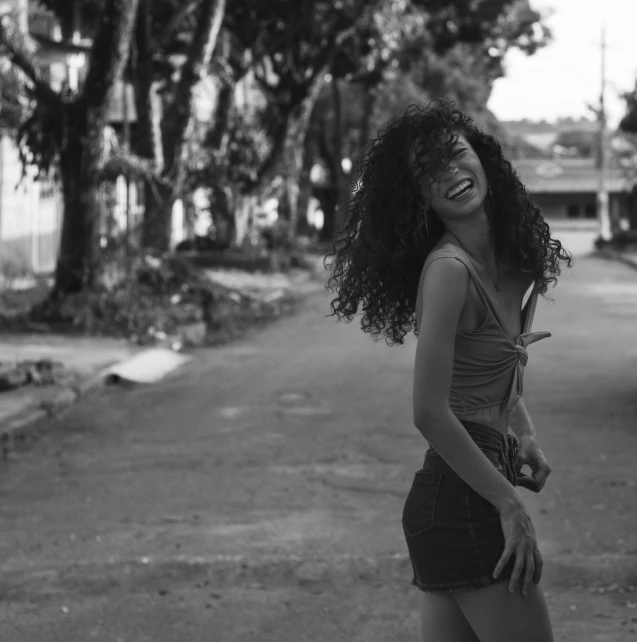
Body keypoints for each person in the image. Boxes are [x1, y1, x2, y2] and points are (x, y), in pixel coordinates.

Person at [324, 100, 573, 642]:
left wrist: (523, 433)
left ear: (481, 157)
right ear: (418, 196)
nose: (451, 175)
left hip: (467, 486)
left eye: (457, 155)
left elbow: (486, 367)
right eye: (429, 173)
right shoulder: (448, 271)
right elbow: (430, 412)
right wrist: (508, 503)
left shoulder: (514, 258)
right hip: (464, 494)